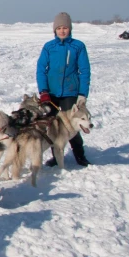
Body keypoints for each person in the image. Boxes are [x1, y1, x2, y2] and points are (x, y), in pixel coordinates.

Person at [36, 12, 92, 166]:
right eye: (59, 28)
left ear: (70, 29)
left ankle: (80, 155)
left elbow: (84, 71)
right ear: (54, 30)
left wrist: (82, 94)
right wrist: (43, 91)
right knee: (53, 127)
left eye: (65, 28)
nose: (62, 31)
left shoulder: (78, 46)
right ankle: (56, 156)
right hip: (51, 93)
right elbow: (41, 70)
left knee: (71, 126)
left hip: (70, 92)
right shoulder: (49, 47)